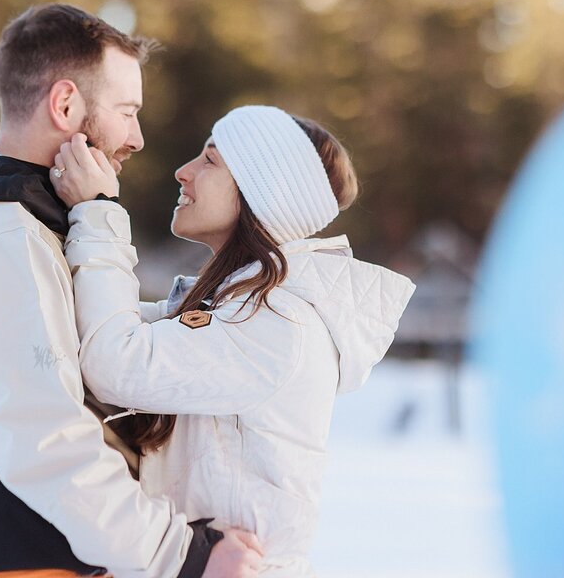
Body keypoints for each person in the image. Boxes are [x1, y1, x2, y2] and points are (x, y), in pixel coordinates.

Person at [0, 4, 261, 578]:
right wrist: (184, 555)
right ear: (66, 105)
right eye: (127, 112)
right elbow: (46, 439)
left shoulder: (11, 228)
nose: (137, 137)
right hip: (26, 560)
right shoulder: (4, 242)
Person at [49, 105, 416, 576]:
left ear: (262, 194)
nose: (183, 172)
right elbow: (105, 326)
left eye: (210, 160)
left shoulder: (277, 323)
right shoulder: (237, 309)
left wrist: (98, 212)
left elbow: (116, 361)